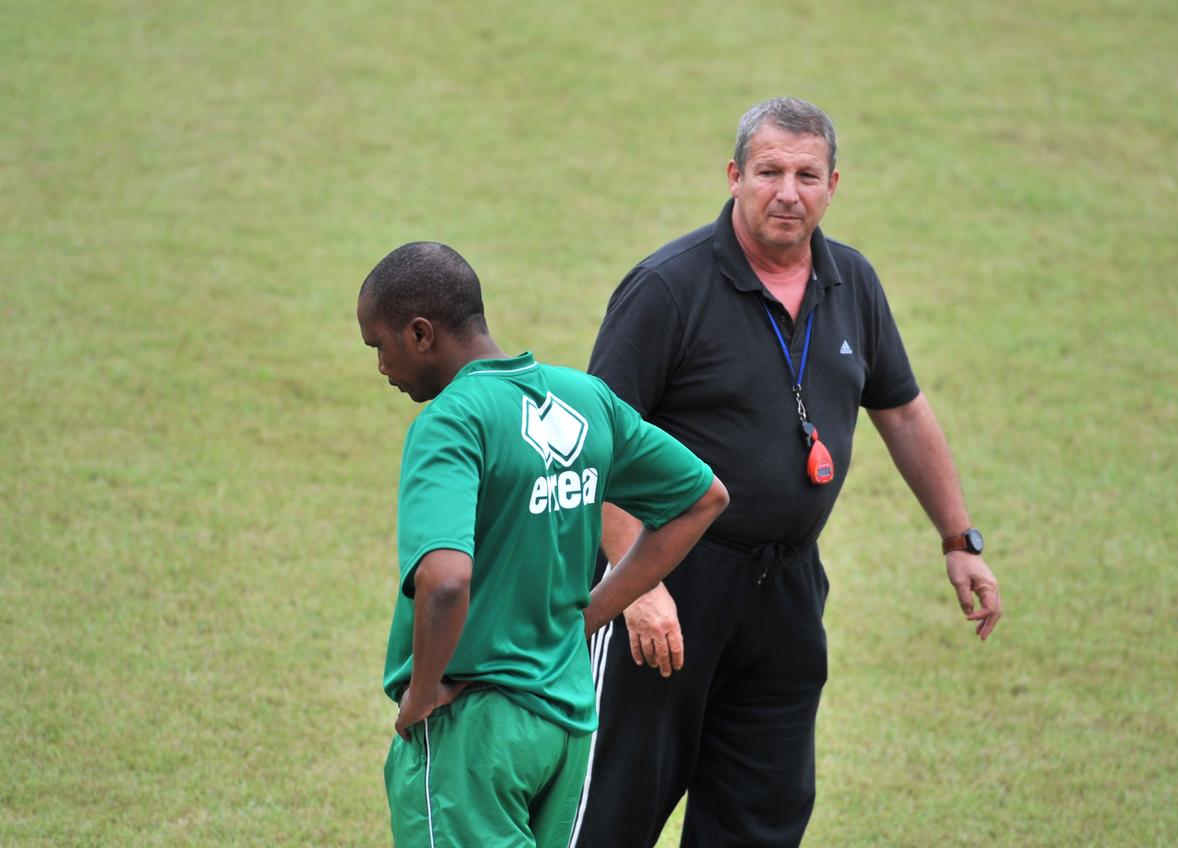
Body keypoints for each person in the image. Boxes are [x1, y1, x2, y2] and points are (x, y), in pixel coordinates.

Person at [569, 97, 1003, 848]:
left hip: (786, 594)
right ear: (735, 176)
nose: (788, 191)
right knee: (612, 811)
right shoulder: (668, 288)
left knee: (760, 818)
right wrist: (638, 587)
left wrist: (957, 538)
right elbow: (593, 445)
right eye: (769, 171)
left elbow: (901, 410)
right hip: (671, 582)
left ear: (834, 185)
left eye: (807, 174)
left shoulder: (853, 284)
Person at [357, 241, 729, 848]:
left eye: (379, 345)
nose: (380, 367)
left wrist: (423, 692)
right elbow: (703, 497)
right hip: (565, 722)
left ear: (420, 332)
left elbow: (446, 579)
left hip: (473, 727)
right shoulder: (586, 399)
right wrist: (594, 613)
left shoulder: (452, 422)